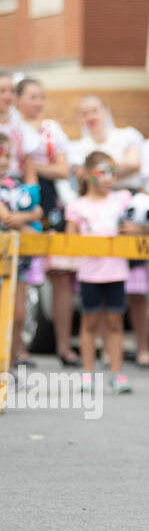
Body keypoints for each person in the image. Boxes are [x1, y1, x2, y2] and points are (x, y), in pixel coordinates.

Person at [68, 96, 149, 367]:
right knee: (92, 315)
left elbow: (135, 164)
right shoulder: (76, 148)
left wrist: (98, 168)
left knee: (133, 294)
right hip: (93, 255)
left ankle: (140, 348)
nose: (90, 116)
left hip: (120, 227)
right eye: (84, 112)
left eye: (94, 110)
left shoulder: (126, 136)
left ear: (106, 112)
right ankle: (99, 358)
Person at [13, 78, 78, 367]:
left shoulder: (50, 130)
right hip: (16, 198)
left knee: (60, 272)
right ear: (17, 98)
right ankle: (18, 348)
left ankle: (64, 346)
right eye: (32, 96)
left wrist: (30, 165)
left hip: (49, 202)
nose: (37, 102)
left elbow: (63, 170)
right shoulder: (13, 127)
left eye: (41, 96)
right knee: (19, 274)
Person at [65, 152, 133, 393]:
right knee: (89, 321)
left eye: (112, 173)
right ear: (89, 174)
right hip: (89, 272)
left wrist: (132, 231)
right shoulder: (77, 206)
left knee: (116, 322)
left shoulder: (121, 201)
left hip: (116, 271)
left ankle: (116, 372)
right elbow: (70, 238)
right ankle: (87, 373)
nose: (108, 179)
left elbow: (134, 229)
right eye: (102, 172)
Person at [1, 131, 42, 368]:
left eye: (7, 155)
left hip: (19, 262)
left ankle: (11, 359)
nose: (3, 161)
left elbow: (38, 212)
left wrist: (21, 218)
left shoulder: (16, 186)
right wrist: (24, 220)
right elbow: (5, 217)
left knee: (18, 315)